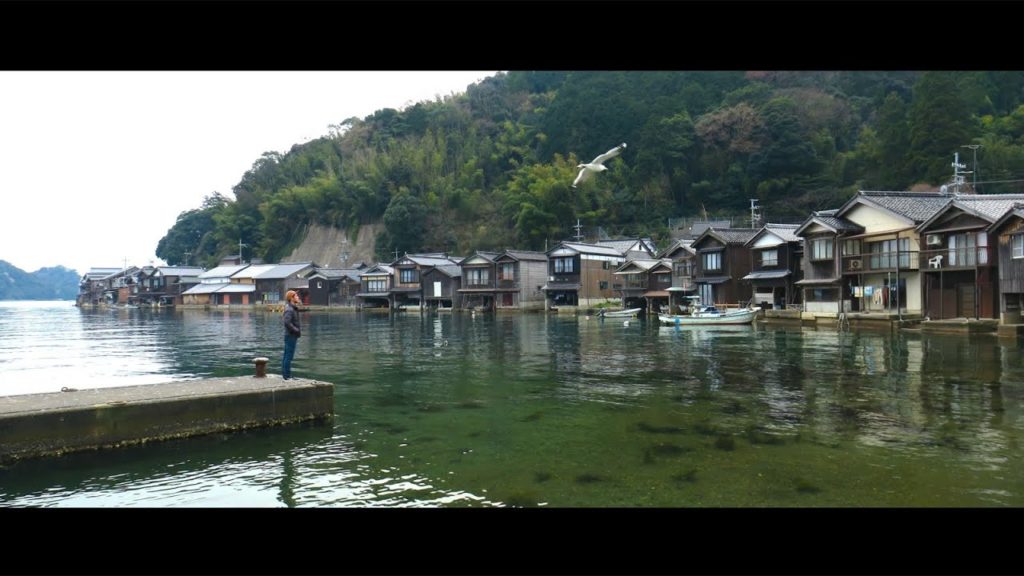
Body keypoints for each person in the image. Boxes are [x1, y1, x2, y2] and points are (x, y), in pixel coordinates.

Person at [282, 290, 302, 379]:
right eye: (296, 296)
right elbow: (287, 323)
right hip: (291, 335)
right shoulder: (290, 309)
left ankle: (286, 375)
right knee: (288, 356)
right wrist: (296, 330)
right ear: (291, 298)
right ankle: (287, 376)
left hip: (291, 335)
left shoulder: (292, 308)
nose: (298, 297)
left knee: (287, 356)